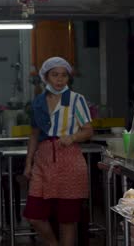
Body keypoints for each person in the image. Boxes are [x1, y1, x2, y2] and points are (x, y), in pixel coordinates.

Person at [23, 57, 94, 246]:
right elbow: (34, 135)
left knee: (67, 219)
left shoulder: (75, 100)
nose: (60, 80)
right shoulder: (37, 103)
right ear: (45, 77)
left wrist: (72, 137)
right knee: (34, 215)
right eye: (55, 75)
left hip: (69, 160)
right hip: (43, 161)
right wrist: (28, 163)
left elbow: (88, 130)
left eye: (64, 75)